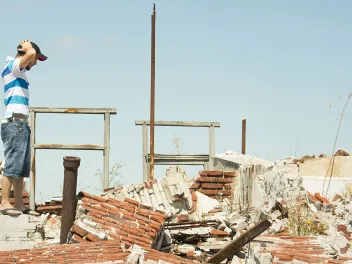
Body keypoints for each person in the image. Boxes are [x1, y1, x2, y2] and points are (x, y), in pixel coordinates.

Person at [0, 40, 47, 216]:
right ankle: (5, 201)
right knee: (13, 162)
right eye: (35, 60)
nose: (35, 63)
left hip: (21, 123)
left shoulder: (21, 73)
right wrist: (28, 48)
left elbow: (32, 57)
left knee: (21, 167)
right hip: (14, 122)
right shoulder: (12, 66)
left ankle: (19, 204)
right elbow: (31, 55)